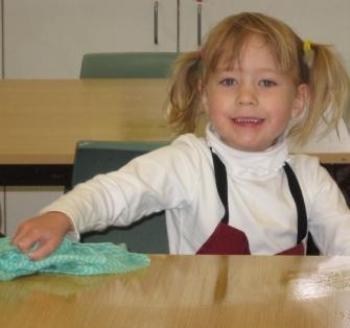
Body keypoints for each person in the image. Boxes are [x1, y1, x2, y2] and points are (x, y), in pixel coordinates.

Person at [12, 12, 350, 259]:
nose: (247, 97)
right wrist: (63, 214)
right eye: (229, 81)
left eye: (267, 83)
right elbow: (114, 193)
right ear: (204, 95)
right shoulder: (189, 163)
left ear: (298, 101)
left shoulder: (310, 180)